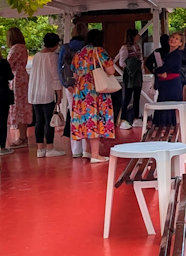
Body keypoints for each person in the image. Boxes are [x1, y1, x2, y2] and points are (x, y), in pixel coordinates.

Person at [70, 29, 116, 163]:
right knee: (94, 120)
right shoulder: (99, 52)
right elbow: (111, 70)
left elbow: (74, 73)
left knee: (85, 120)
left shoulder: (79, 54)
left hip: (81, 91)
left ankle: (87, 151)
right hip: (95, 90)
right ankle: (95, 155)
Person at [28, 32, 65, 158]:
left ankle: (40, 149)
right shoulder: (52, 57)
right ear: (55, 44)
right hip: (47, 91)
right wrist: (59, 94)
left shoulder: (37, 56)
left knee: (39, 120)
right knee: (49, 120)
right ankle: (50, 147)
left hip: (34, 92)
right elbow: (55, 77)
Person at [59, 22, 88, 157]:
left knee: (74, 115)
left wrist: (65, 84)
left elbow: (60, 67)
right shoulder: (87, 47)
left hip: (70, 85)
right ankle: (87, 148)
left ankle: (76, 149)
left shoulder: (65, 48)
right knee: (87, 115)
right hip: (85, 85)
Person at [6, 26, 31, 149]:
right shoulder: (23, 48)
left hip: (17, 79)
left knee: (18, 106)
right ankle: (23, 135)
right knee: (24, 106)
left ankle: (22, 137)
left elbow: (8, 64)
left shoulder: (15, 49)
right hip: (24, 77)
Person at [153, 32, 185, 127]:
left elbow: (164, 68)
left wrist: (156, 70)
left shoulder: (176, 55)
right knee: (164, 107)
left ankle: (168, 129)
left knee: (168, 107)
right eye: (172, 37)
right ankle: (163, 129)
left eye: (177, 39)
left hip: (172, 85)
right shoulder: (169, 54)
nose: (173, 40)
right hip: (166, 85)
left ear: (180, 43)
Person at [115, 28, 143, 130]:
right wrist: (131, 65)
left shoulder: (138, 47)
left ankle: (136, 117)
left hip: (137, 74)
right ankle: (123, 118)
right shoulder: (125, 47)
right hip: (130, 75)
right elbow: (122, 62)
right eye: (136, 35)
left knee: (137, 96)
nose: (138, 36)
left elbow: (141, 60)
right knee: (127, 96)